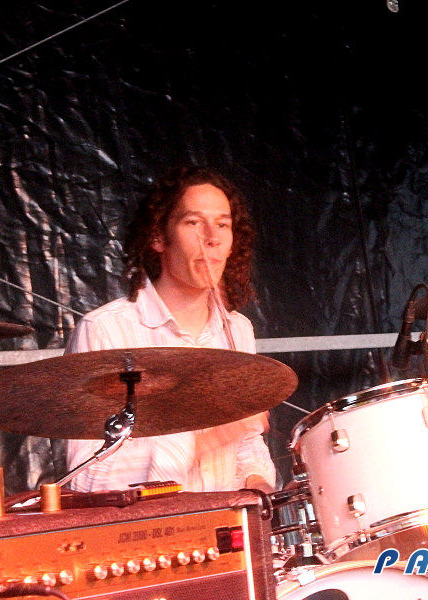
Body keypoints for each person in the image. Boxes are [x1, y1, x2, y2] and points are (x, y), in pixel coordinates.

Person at [65, 166, 276, 493]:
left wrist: (256, 480)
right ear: (158, 237)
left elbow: (246, 444)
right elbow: (87, 477)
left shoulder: (237, 329)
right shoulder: (106, 329)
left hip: (223, 519)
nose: (212, 237)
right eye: (194, 222)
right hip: (149, 525)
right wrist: (209, 439)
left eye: (223, 224)